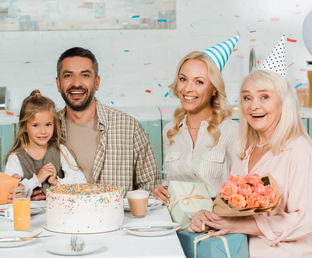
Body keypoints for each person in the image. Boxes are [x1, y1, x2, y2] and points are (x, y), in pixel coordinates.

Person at [189, 70, 312, 257]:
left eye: (264, 97)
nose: (254, 106)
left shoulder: (298, 149)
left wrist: (240, 226)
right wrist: (208, 218)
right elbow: (232, 207)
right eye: (247, 98)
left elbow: (306, 219)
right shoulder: (245, 151)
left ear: (283, 102)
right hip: (241, 248)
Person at [55, 47, 162, 193]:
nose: (77, 83)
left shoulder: (129, 128)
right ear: (58, 83)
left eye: (85, 75)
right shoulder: (45, 130)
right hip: (63, 215)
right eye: (68, 76)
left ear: (97, 82)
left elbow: (151, 188)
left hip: (118, 216)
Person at [153, 51, 239, 204]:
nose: (187, 89)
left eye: (199, 82)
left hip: (217, 222)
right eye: (183, 79)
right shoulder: (170, 131)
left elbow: (242, 189)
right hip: (177, 222)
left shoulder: (232, 131)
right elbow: (174, 183)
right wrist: (162, 190)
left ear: (214, 89)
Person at [4, 89, 86, 195]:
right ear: (24, 127)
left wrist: (56, 181)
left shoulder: (61, 150)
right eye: (35, 125)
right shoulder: (16, 158)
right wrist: (37, 180)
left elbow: (81, 182)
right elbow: (10, 192)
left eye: (48, 125)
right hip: (27, 211)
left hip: (59, 210)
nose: (43, 131)